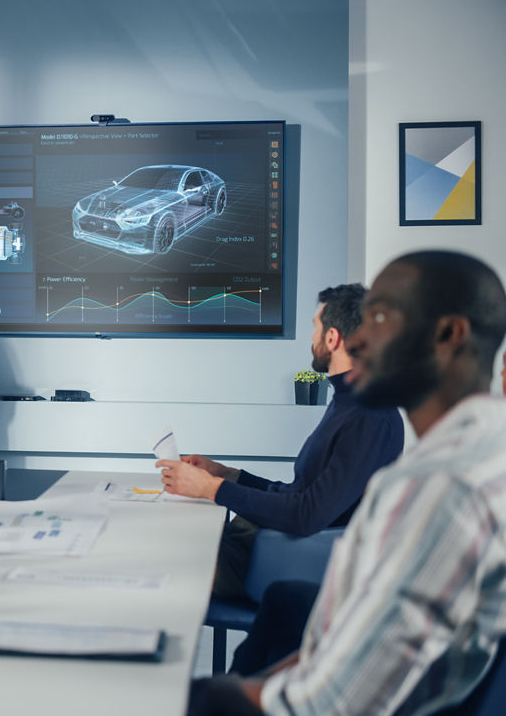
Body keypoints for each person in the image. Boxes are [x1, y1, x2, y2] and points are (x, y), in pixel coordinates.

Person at [189, 250, 506, 716]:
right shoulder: (479, 448)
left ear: (448, 334)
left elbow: (333, 702)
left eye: (379, 317)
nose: (357, 342)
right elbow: (367, 637)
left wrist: (217, 698)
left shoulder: (440, 489)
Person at [157, 284, 404, 599]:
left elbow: (307, 515)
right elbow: (298, 495)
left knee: (159, 561)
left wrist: (210, 489)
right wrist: (227, 475)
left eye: (315, 329)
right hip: (273, 550)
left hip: (287, 568)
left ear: (333, 338)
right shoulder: (351, 402)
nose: (311, 339)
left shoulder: (370, 417)